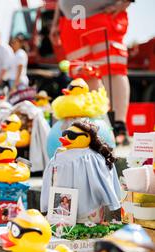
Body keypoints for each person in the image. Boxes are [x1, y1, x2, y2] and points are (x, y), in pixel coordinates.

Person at [50, 0, 134, 145]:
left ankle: (119, 126)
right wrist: (56, 20)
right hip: (72, 19)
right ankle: (99, 125)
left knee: (112, 69)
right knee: (84, 74)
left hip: (100, 13)